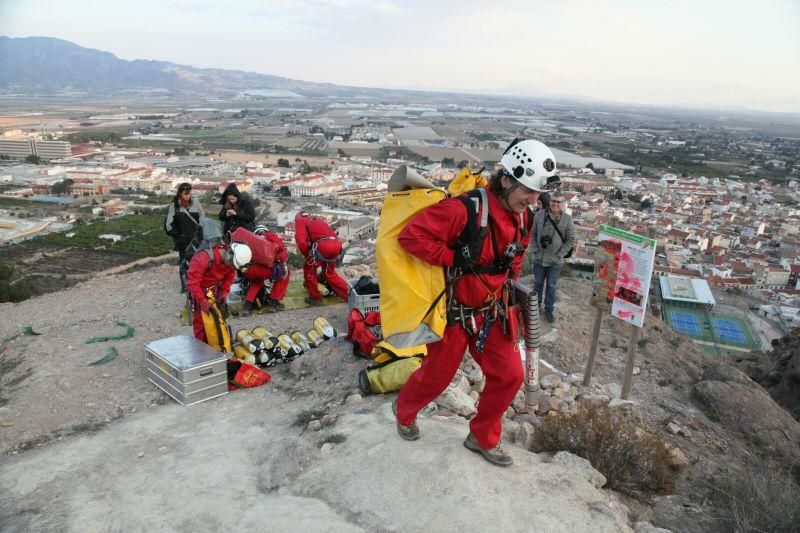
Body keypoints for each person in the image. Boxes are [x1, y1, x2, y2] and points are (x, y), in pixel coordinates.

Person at [393, 138, 560, 467]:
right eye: (528, 190)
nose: (533, 199)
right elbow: (411, 236)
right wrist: (453, 256)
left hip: (491, 310)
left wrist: (509, 299)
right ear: (507, 179)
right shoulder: (466, 209)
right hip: (454, 311)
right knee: (437, 376)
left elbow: (514, 260)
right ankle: (405, 411)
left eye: (538, 193)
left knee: (510, 374)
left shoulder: (523, 217)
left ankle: (482, 436)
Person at [186, 241, 252, 344]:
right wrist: (202, 301)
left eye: (234, 267)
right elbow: (192, 283)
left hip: (214, 291)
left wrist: (223, 293)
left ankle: (216, 347)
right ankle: (201, 349)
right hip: (199, 291)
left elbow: (229, 277)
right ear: (229, 255)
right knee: (201, 324)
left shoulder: (230, 263)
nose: (232, 268)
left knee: (218, 322)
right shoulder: (203, 258)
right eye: (232, 265)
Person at [530, 191, 575, 323]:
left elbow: (570, 240)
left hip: (555, 261)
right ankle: (535, 307)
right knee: (537, 283)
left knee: (551, 285)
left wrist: (559, 255)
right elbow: (533, 234)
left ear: (562, 203)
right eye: (553, 201)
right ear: (549, 202)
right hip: (539, 258)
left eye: (558, 201)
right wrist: (534, 249)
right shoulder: (539, 215)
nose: (555, 203)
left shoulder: (567, 219)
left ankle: (549, 309)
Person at [294, 212, 349, 306]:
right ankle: (349, 295)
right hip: (336, 245)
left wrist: (307, 255)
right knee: (330, 274)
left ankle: (315, 298)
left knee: (309, 271)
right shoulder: (318, 221)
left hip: (323, 246)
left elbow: (301, 241)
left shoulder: (300, 221)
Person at [240, 225, 290, 316]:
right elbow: (281, 249)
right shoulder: (270, 235)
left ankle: (247, 306)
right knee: (284, 276)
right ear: (265, 230)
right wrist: (283, 263)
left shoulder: (250, 240)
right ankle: (274, 302)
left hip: (250, 269)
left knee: (256, 282)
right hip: (265, 268)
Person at [164, 182, 205, 292]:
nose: (188, 196)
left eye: (189, 193)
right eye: (186, 194)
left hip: (196, 238)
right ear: (180, 194)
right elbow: (169, 223)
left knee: (197, 261)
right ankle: (185, 285)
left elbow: (202, 217)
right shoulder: (175, 205)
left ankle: (197, 283)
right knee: (184, 262)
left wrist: (201, 231)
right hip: (182, 239)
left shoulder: (196, 203)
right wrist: (176, 235)